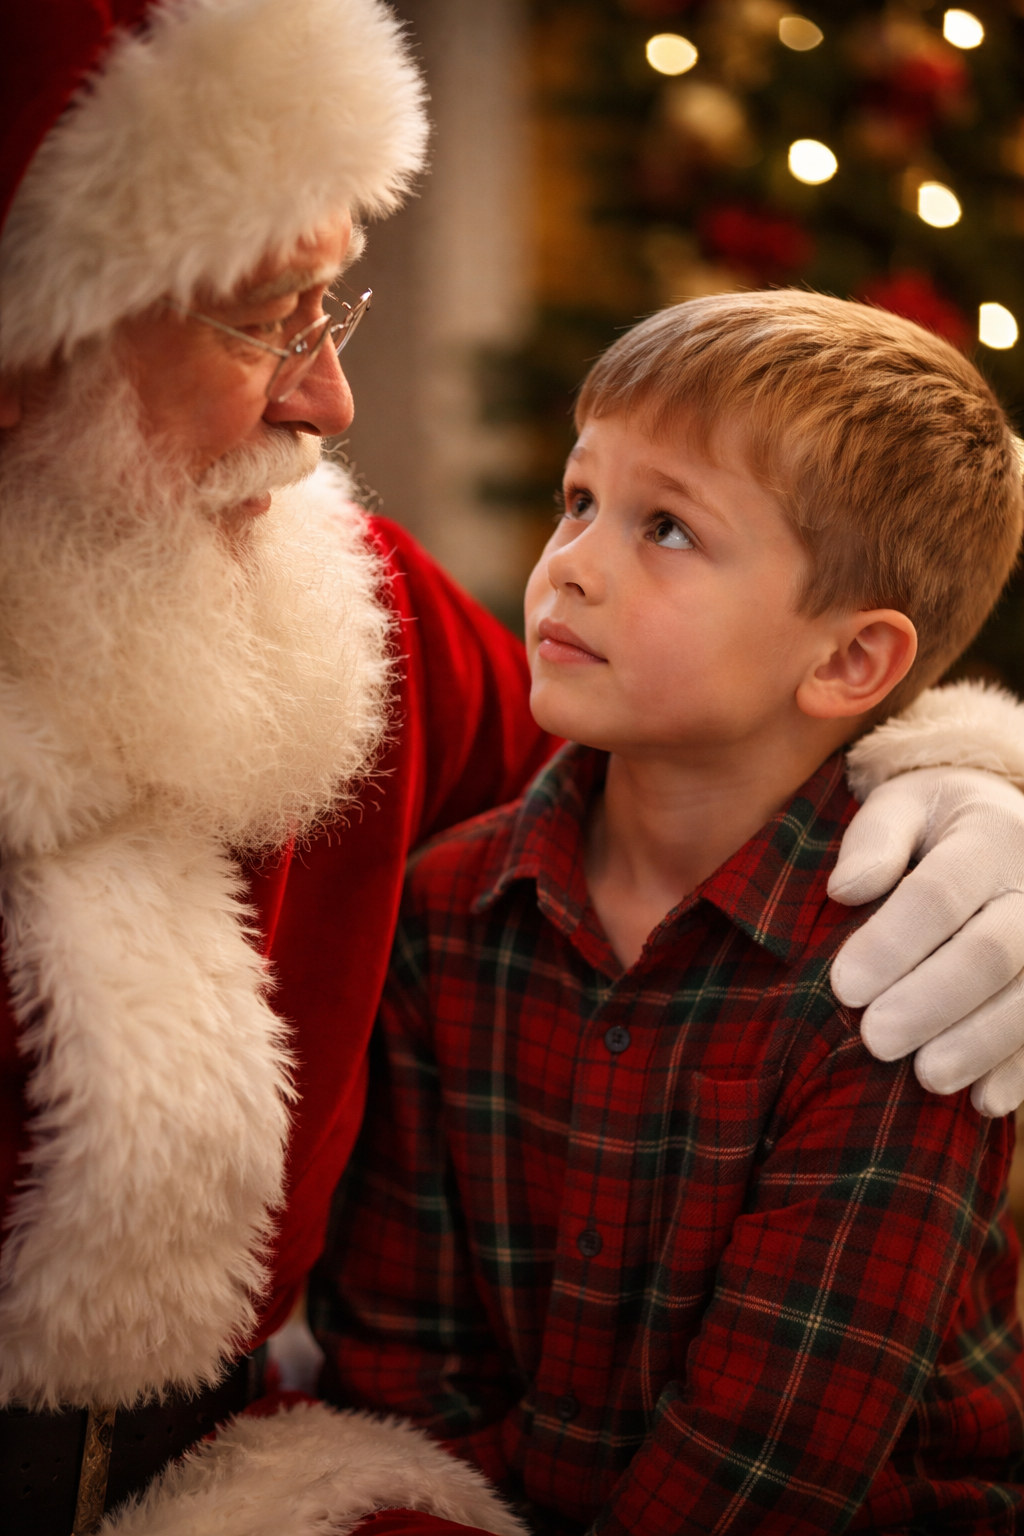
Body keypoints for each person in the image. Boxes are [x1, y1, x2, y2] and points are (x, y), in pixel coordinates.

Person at [2, 2, 1024, 1531]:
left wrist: (971, 782)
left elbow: (698, 757)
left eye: (331, 308)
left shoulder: (351, 617)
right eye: (262, 317)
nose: (327, 401)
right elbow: (407, 1341)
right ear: (29, 337)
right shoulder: (469, 908)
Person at [322, 292, 1024, 1534]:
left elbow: (776, 1457)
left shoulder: (908, 965)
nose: (571, 563)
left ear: (847, 661)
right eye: (579, 499)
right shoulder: (446, 908)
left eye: (668, 529)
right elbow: (400, 1363)